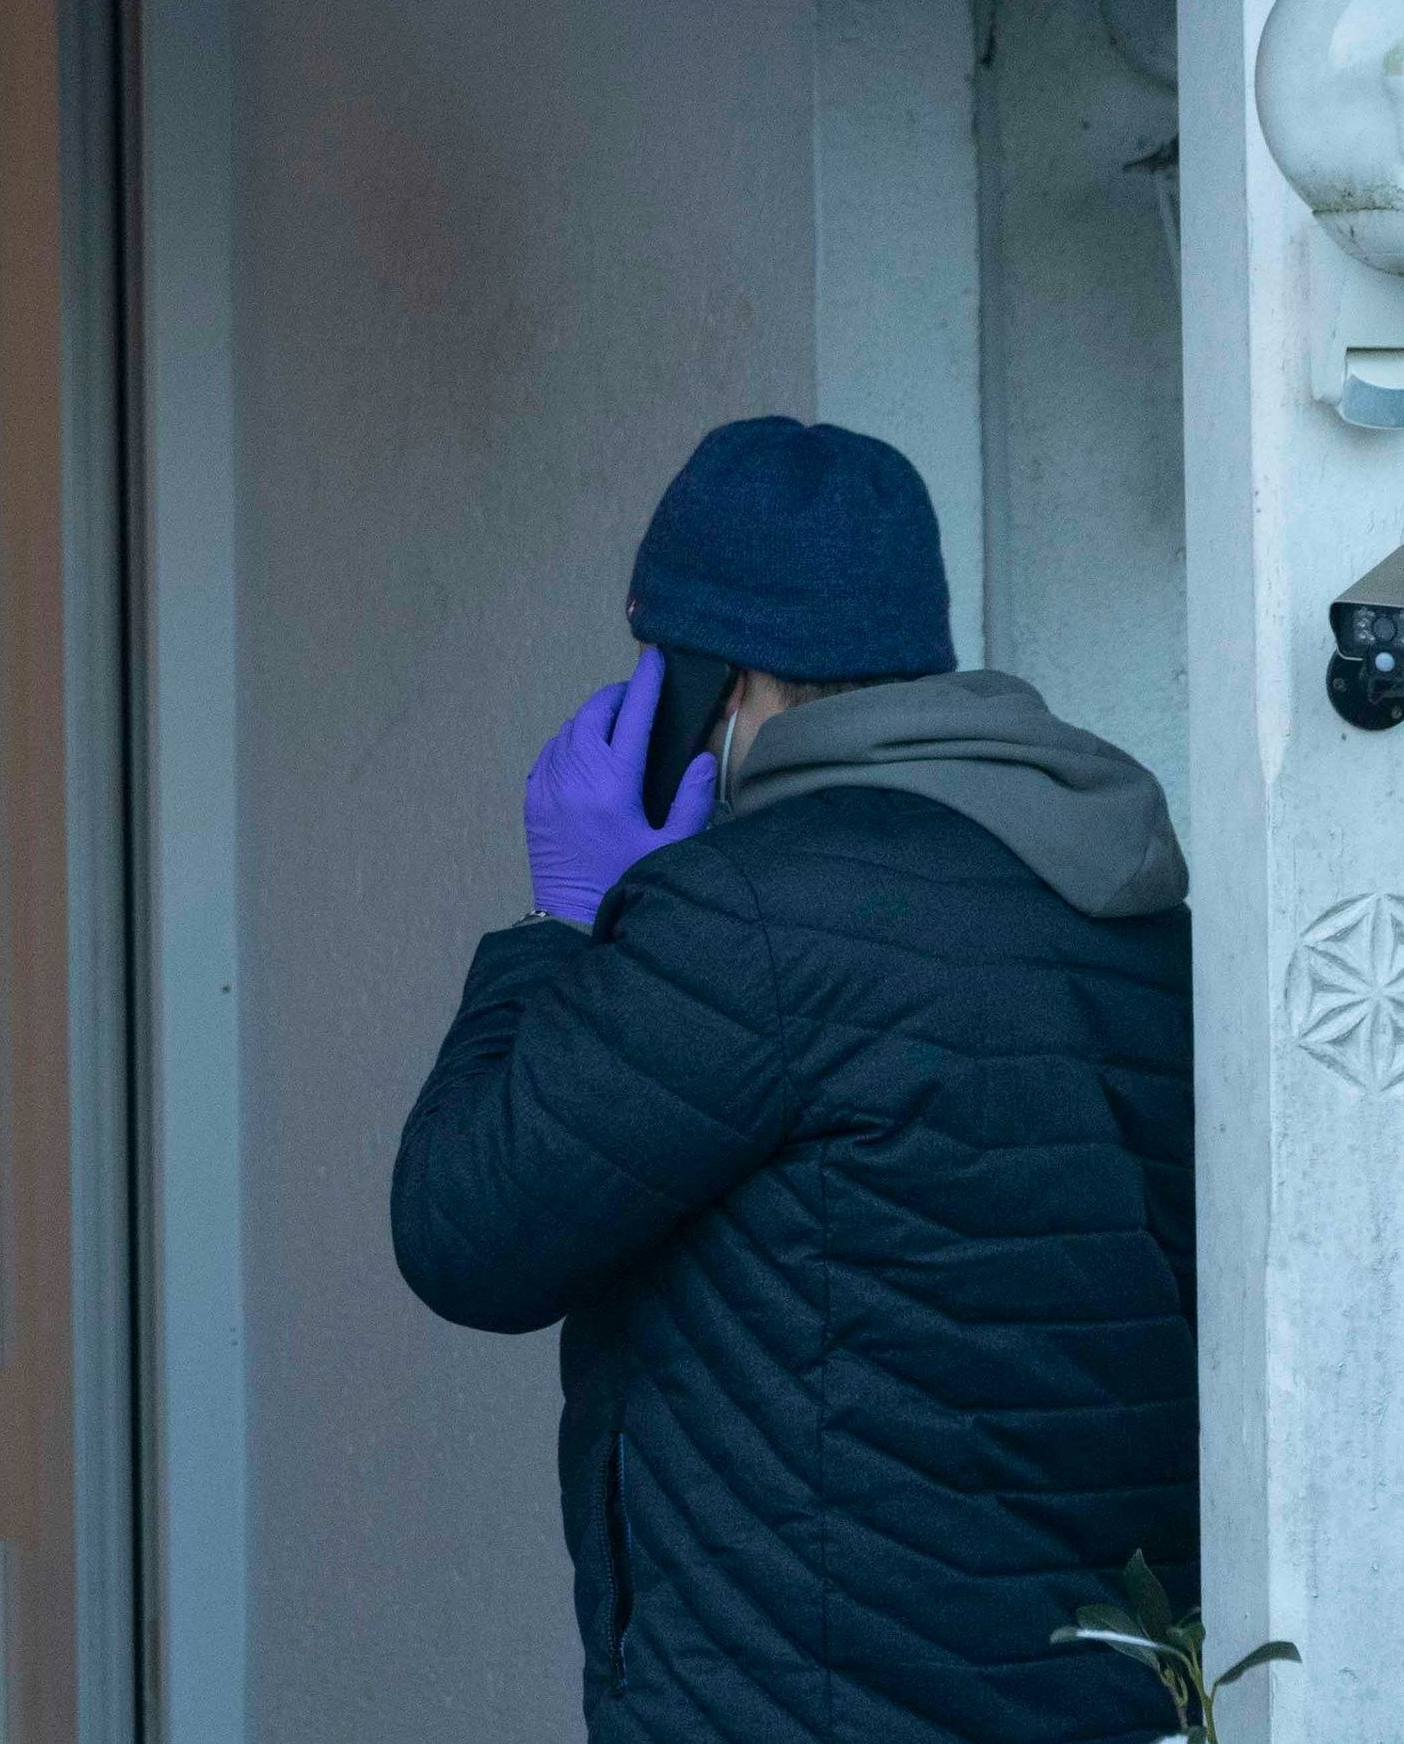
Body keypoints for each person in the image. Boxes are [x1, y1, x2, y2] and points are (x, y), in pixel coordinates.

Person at [391, 416, 1200, 1744]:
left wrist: (562, 928)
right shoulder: (1113, 887)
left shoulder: (744, 924)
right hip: (1101, 1700)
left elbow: (463, 1228)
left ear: (711, 682)